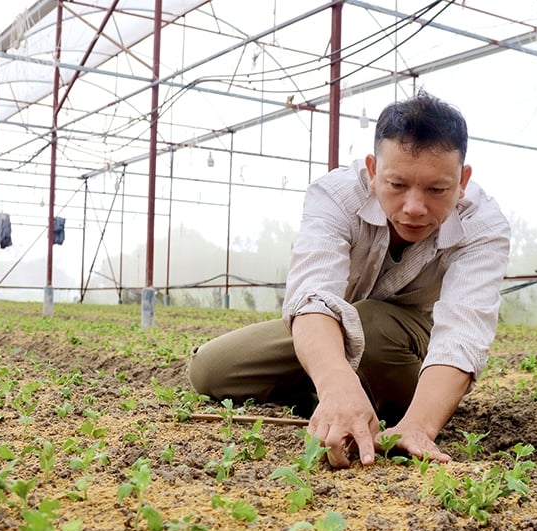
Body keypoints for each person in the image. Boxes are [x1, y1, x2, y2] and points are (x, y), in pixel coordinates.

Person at [188, 90, 511, 468]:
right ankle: (339, 392)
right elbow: (312, 294)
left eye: (436, 190)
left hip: (405, 343)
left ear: (462, 181)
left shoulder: (483, 226)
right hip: (331, 324)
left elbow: (462, 333)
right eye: (397, 185)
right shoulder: (336, 195)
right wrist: (336, 383)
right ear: (373, 172)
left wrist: (419, 425)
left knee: (372, 321)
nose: (414, 207)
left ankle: (378, 402)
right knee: (212, 370)